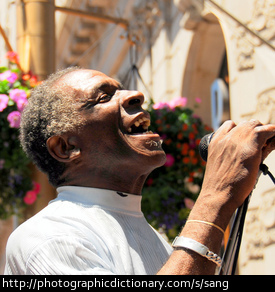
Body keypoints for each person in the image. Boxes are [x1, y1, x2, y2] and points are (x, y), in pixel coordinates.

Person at [4, 67, 275, 275]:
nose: (136, 95)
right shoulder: (47, 237)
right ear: (65, 147)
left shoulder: (152, 235)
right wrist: (216, 196)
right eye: (103, 97)